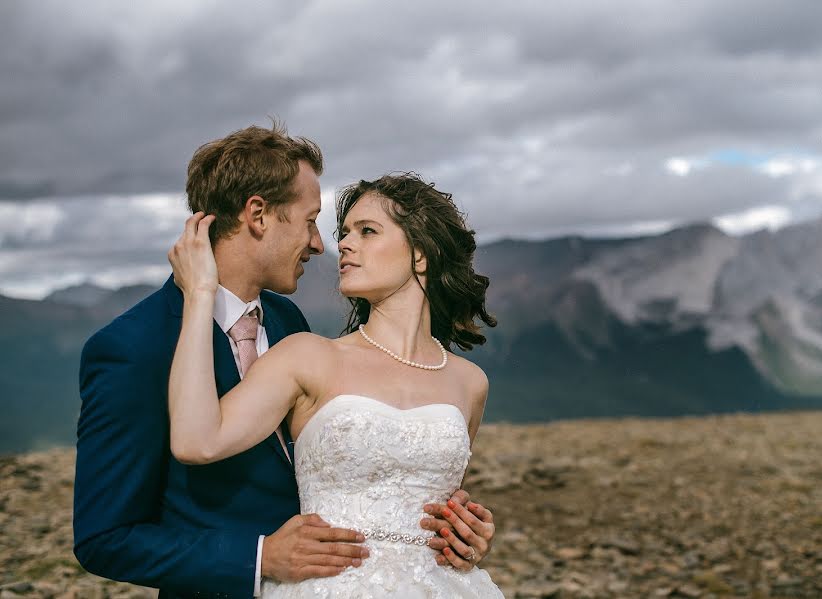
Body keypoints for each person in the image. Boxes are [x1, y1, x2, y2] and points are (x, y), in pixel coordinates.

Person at [73, 124, 495, 598]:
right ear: (258, 215)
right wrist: (257, 558)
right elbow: (104, 537)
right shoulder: (133, 346)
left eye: (364, 230)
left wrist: (453, 531)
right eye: (311, 221)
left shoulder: (287, 320)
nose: (321, 245)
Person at [167, 172, 503, 597]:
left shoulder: (469, 382)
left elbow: (432, 494)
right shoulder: (307, 355)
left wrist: (465, 528)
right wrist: (199, 292)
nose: (343, 244)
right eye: (344, 233)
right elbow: (196, 441)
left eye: (367, 231)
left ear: (421, 254)